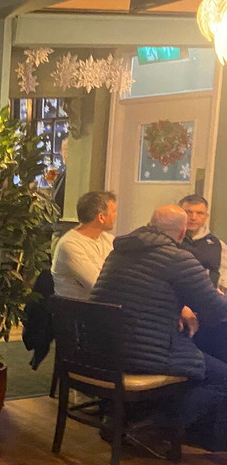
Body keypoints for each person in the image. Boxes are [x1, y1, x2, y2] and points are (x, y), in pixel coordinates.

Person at [91, 205, 227, 451]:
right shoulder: (178, 258)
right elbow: (215, 309)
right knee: (221, 377)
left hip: (104, 349)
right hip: (142, 353)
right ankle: (152, 428)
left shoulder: (119, 251)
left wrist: (180, 307)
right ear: (182, 232)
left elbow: (145, 293)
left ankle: (124, 419)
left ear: (150, 224)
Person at [51, 190, 116, 300]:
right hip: (75, 308)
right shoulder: (69, 245)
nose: (115, 215)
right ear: (101, 217)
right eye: (113, 211)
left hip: (101, 306)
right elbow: (98, 285)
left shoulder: (108, 239)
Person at [179, 193, 227, 293]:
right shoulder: (168, 241)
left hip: (206, 299)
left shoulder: (218, 245)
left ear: (206, 216)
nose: (193, 217)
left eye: (199, 213)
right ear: (180, 214)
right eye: (188, 212)